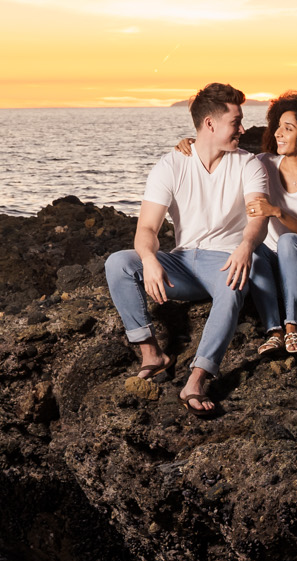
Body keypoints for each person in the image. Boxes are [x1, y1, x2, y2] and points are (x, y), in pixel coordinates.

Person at [104, 81, 275, 414]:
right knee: (118, 263)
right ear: (210, 124)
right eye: (236, 121)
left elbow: (258, 217)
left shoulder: (249, 164)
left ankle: (196, 380)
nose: (243, 127)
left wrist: (245, 247)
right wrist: (150, 259)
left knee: (232, 286)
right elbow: (147, 228)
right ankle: (152, 354)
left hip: (224, 261)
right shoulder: (171, 164)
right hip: (181, 263)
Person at [177, 91, 297, 359]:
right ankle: (274, 331)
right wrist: (192, 145)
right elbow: (225, 157)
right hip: (270, 265)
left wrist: (276, 211)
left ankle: (293, 327)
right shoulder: (264, 163)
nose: (278, 133)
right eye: (278, 126)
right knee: (248, 246)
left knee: (289, 241)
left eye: (288, 128)